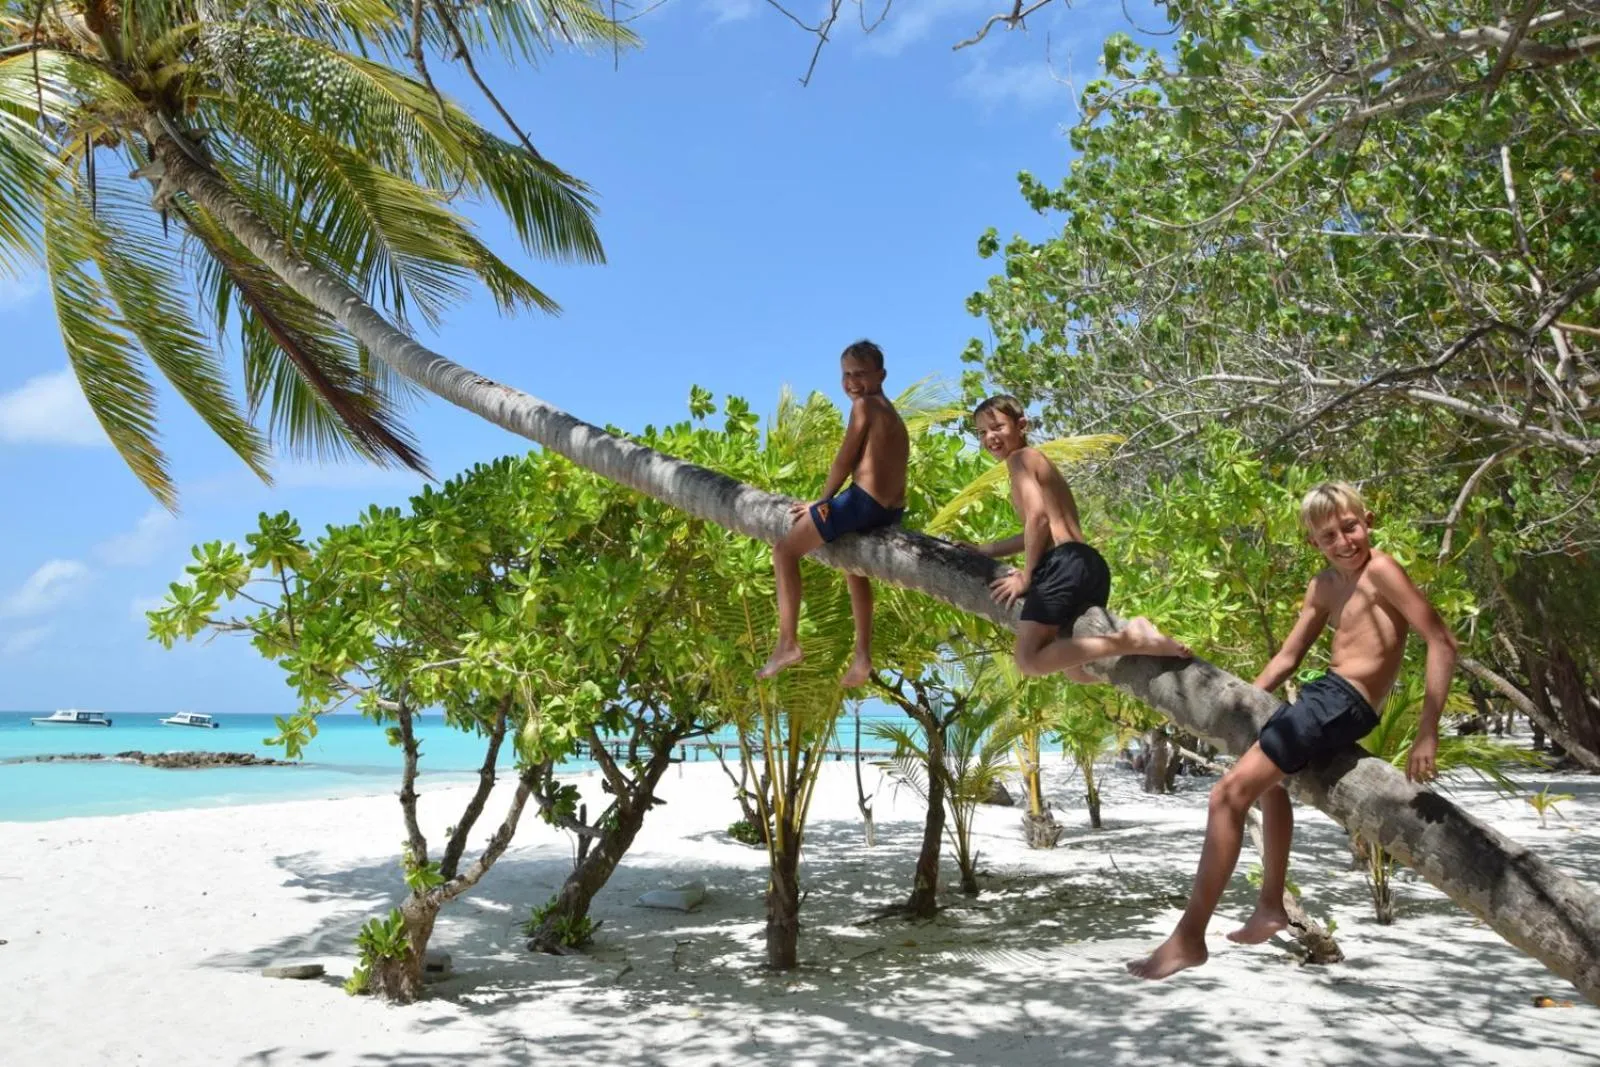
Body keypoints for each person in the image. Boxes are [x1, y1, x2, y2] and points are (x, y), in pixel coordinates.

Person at [1127, 481, 1459, 981]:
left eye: (1350, 527)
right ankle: (1269, 906)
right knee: (1267, 785)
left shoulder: (1382, 570)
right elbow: (1288, 656)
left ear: (1367, 520)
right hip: (1320, 694)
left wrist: (1426, 731)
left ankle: (1189, 939)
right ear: (1314, 543)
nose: (1344, 541)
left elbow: (1441, 640)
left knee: (1225, 796)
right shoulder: (1323, 585)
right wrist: (1241, 704)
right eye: (1329, 536)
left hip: (1344, 702)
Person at [962, 395, 1189, 683]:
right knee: (1077, 672)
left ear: (1022, 425)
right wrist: (984, 550)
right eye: (982, 432)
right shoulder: (1035, 461)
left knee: (1029, 660)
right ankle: (1139, 642)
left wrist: (1026, 577)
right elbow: (1036, 529)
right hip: (1087, 566)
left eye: (997, 427)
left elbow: (1038, 519)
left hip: (1063, 565)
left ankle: (1132, 638)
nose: (989, 437)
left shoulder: (1021, 459)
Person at [756, 340, 909, 688]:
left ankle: (788, 643)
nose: (852, 382)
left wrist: (821, 501)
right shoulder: (891, 412)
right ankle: (862, 655)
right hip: (891, 511)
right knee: (852, 567)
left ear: (881, 375)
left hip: (863, 503)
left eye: (860, 374)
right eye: (846, 375)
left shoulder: (865, 407)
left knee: (784, 551)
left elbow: (845, 459)